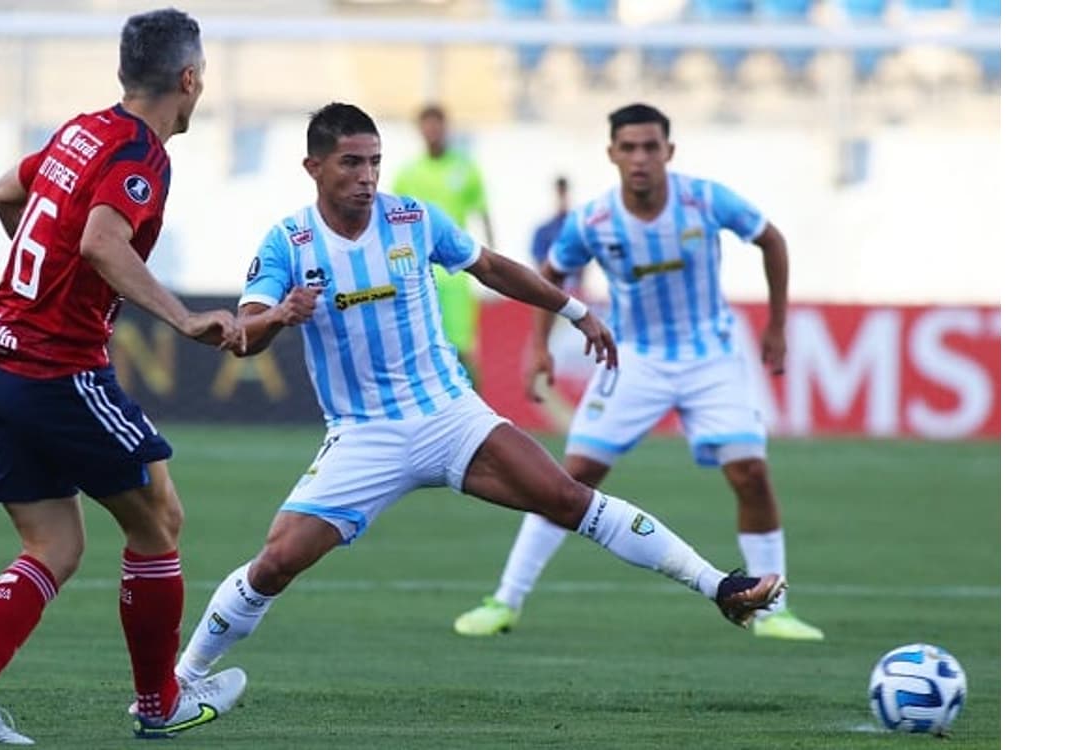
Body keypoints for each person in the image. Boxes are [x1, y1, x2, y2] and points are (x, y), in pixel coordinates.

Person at [167, 102, 785, 693]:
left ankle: (721, 586)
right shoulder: (288, 244)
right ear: (314, 168)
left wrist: (573, 310)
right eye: (351, 163)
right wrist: (280, 315)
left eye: (374, 162)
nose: (367, 177)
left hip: (449, 416)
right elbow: (243, 337)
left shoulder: (413, 218)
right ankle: (182, 681)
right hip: (364, 433)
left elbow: (490, 267)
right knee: (277, 561)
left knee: (570, 498)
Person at [0, 9, 250, 744]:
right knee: (159, 520)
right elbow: (104, 241)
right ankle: (160, 705)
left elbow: (8, 193)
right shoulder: (142, 154)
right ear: (190, 79)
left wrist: (56, 280)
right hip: (51, 369)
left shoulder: (81, 130)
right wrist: (182, 317)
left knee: (55, 548)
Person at [452, 103, 825, 642]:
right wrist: (539, 345)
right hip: (634, 359)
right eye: (629, 147)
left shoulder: (704, 199)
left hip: (710, 356)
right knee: (569, 479)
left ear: (669, 152)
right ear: (612, 154)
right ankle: (504, 600)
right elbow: (552, 272)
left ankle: (775, 611)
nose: (641, 158)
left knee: (750, 472)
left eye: (651, 147)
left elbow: (772, 240)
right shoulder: (595, 220)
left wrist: (777, 326)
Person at [391, 103, 494, 386]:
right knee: (420, 348)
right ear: (420, 130)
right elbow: (392, 223)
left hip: (457, 272)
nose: (433, 131)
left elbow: (482, 212)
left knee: (463, 348)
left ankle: (477, 415)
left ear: (446, 128)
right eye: (427, 125)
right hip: (417, 271)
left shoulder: (464, 168)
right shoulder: (408, 173)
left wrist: (492, 262)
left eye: (438, 124)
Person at [530, 176, 582, 295]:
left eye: (564, 192)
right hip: (550, 291)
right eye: (560, 192)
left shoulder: (578, 229)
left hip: (575, 292)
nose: (562, 197)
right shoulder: (543, 231)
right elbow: (539, 263)